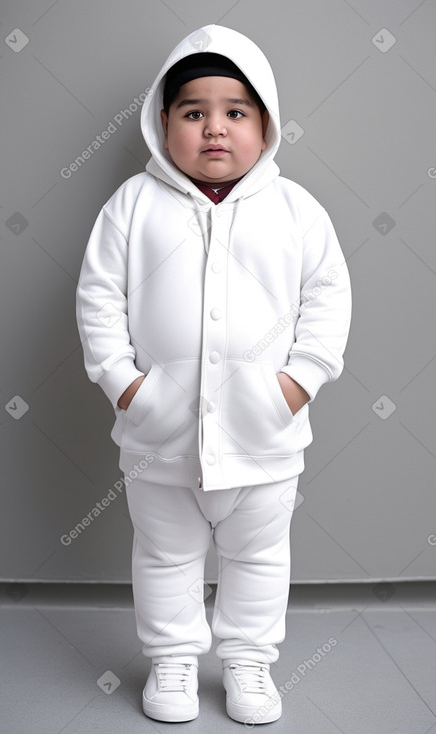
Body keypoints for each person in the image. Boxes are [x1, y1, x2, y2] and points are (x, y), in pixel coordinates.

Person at [76, 24, 351, 726]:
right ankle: (171, 658)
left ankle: (248, 662)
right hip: (158, 438)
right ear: (162, 123)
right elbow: (97, 298)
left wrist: (297, 382)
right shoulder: (131, 207)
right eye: (193, 112)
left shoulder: (296, 211)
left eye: (235, 112)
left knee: (259, 559)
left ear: (264, 123)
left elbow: (326, 298)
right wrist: (126, 386)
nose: (214, 129)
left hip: (265, 439)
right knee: (164, 559)